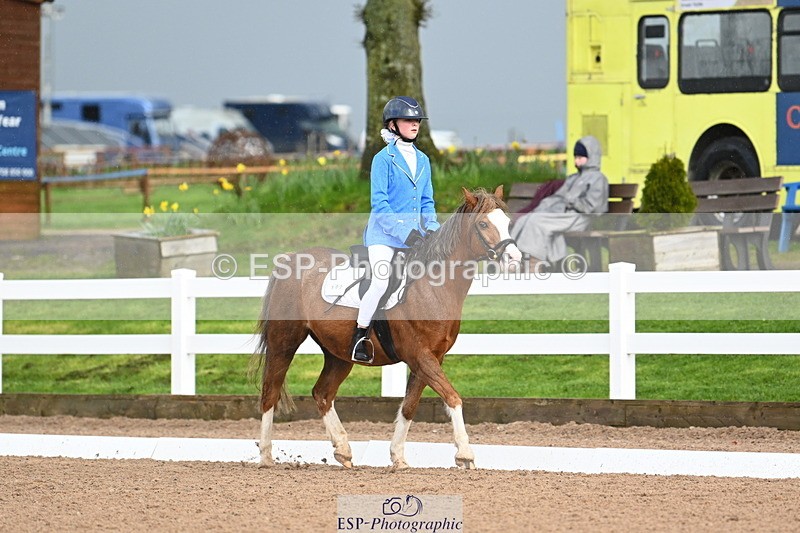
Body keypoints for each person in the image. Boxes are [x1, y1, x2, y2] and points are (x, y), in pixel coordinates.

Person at [351, 96, 440, 363]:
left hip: (416, 236)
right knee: (380, 280)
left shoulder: (423, 159)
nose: (415, 125)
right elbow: (380, 204)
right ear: (392, 125)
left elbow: (427, 201)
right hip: (384, 235)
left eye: (417, 121)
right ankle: (360, 336)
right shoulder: (383, 159)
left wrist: (432, 227)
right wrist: (403, 232)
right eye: (408, 120)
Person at [510, 135, 609, 267]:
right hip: (562, 215)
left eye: (580, 157)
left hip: (578, 218)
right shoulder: (573, 178)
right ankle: (514, 257)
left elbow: (593, 207)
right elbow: (558, 197)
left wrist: (571, 201)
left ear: (592, 157)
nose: (577, 161)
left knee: (536, 222)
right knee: (525, 219)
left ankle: (534, 263)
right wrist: (544, 206)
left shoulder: (598, 179)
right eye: (575, 157)